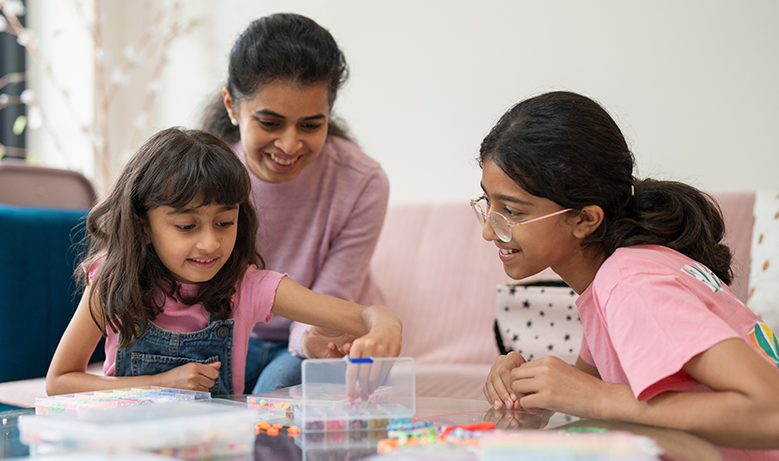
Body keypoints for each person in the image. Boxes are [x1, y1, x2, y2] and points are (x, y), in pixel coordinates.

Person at [479, 91, 779, 458]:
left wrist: (596, 398)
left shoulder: (630, 282)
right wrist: (525, 386)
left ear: (585, 219)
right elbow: (585, 397)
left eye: (512, 211)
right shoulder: (614, 280)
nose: (490, 231)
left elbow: (772, 413)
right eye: (487, 203)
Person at [45, 127, 401, 397]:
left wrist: (384, 326)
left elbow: (365, 316)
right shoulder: (112, 281)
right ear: (144, 226)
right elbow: (59, 381)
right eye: (186, 225)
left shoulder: (249, 287)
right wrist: (159, 384)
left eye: (224, 222)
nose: (210, 243)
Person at [200, 13, 389, 394]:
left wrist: (312, 342)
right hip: (230, 330)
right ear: (233, 106)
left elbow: (332, 297)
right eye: (270, 123)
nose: (289, 145)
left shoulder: (362, 182)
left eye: (310, 125)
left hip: (320, 334)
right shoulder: (201, 175)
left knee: (275, 399)